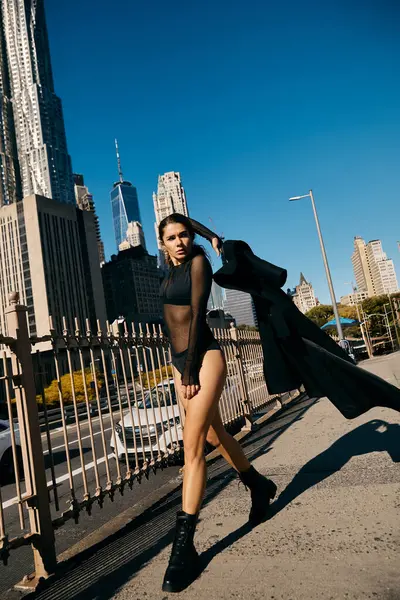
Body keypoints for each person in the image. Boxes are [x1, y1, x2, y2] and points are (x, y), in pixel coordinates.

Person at [159, 213, 277, 593]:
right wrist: (208, 233)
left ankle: (184, 548)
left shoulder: (197, 264)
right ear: (162, 244)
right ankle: (257, 484)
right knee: (215, 432)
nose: (179, 241)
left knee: (192, 449)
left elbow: (195, 318)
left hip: (204, 358)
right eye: (172, 237)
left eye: (184, 235)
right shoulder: (168, 272)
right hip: (181, 365)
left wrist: (191, 371)